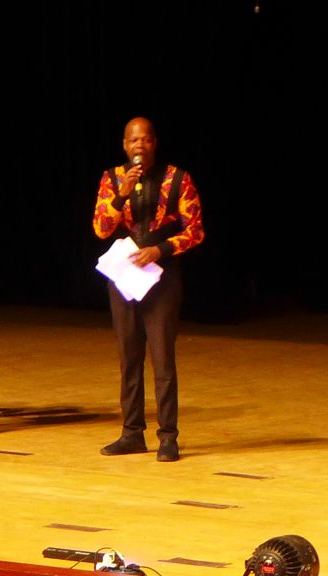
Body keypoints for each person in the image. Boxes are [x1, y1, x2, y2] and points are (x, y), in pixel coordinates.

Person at [92, 116, 204, 462]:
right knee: (129, 358)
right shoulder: (112, 180)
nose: (139, 146)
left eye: (146, 140)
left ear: (155, 143)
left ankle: (168, 436)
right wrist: (122, 194)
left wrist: (161, 249)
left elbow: (195, 230)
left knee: (162, 359)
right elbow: (100, 227)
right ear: (124, 146)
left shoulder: (178, 179)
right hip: (124, 275)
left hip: (162, 276)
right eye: (132, 141)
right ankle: (132, 433)